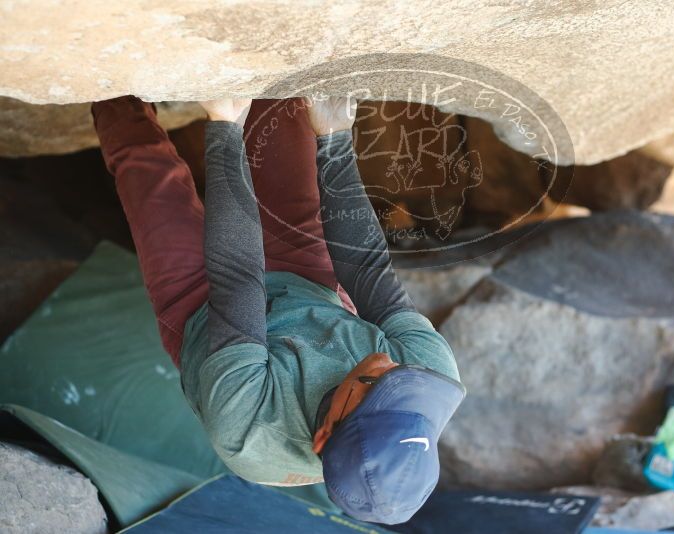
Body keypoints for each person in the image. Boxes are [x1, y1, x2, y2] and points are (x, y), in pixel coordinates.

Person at [91, 95, 465, 524]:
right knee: (284, 114)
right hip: (311, 291)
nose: (395, 370)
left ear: (323, 436)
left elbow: (237, 279)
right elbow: (366, 268)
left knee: (147, 171)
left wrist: (223, 127)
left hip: (203, 310)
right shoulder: (431, 379)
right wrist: (335, 140)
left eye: (376, 387)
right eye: (408, 392)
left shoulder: (248, 431)